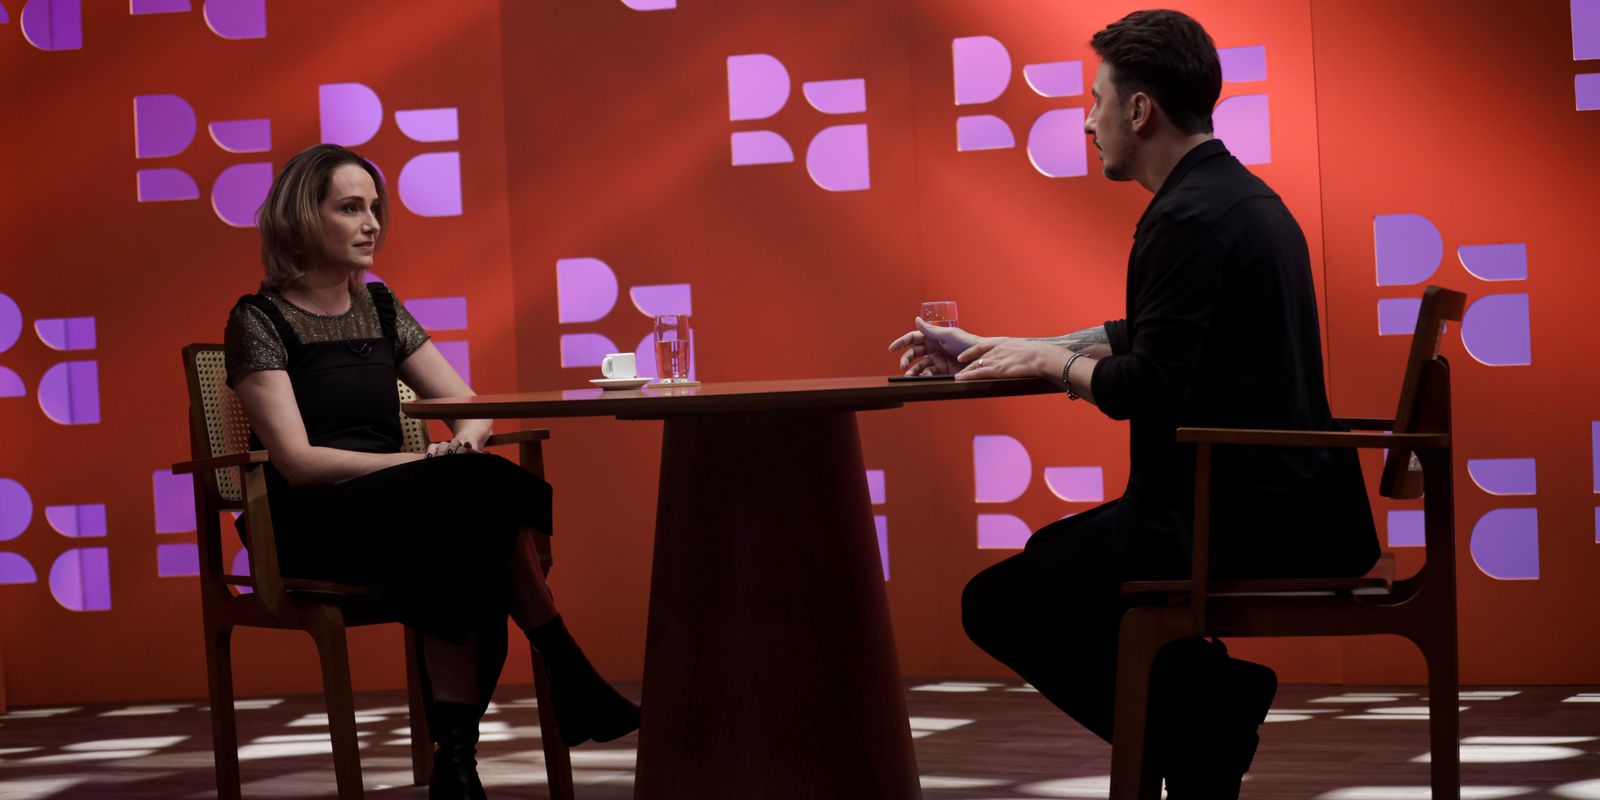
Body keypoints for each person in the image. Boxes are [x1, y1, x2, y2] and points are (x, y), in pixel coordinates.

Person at [889, 10, 1379, 797]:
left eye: (1096, 102)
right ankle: (1212, 712)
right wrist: (1003, 345)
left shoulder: (1185, 218)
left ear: (1140, 109)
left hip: (1238, 515)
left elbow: (1147, 385)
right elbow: (1153, 332)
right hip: (1287, 499)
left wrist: (1050, 363)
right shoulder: (1239, 198)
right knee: (1054, 558)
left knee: (999, 602)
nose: (1089, 123)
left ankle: (1213, 715)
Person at [224, 143, 639, 800]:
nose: (372, 224)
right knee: (472, 509)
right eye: (350, 208)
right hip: (315, 522)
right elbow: (298, 463)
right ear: (302, 217)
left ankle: (458, 761)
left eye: (375, 208)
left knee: (466, 523)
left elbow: (470, 410)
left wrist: (461, 446)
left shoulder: (381, 307)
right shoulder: (258, 319)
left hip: (406, 512)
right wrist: (422, 463)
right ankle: (564, 672)